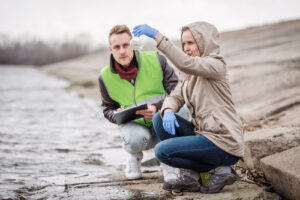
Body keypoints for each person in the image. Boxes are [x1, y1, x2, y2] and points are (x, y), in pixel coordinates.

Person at [132, 22, 244, 193]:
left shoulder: (216, 65)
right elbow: (176, 96)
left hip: (223, 140)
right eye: (183, 44)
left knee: (162, 151)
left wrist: (158, 37)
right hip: (204, 134)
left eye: (190, 43)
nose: (186, 48)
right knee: (159, 118)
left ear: (205, 42)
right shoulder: (189, 74)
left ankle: (221, 169)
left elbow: (185, 63)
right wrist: (168, 110)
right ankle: (191, 176)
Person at [98, 25, 180, 180]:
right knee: (133, 140)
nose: (122, 51)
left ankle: (167, 158)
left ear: (132, 44)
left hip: (161, 120)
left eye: (125, 45)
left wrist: (157, 108)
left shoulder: (156, 59)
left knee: (183, 111)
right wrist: (117, 115)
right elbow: (107, 109)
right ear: (111, 49)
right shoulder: (104, 76)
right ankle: (134, 157)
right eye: (117, 47)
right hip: (135, 127)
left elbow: (177, 90)